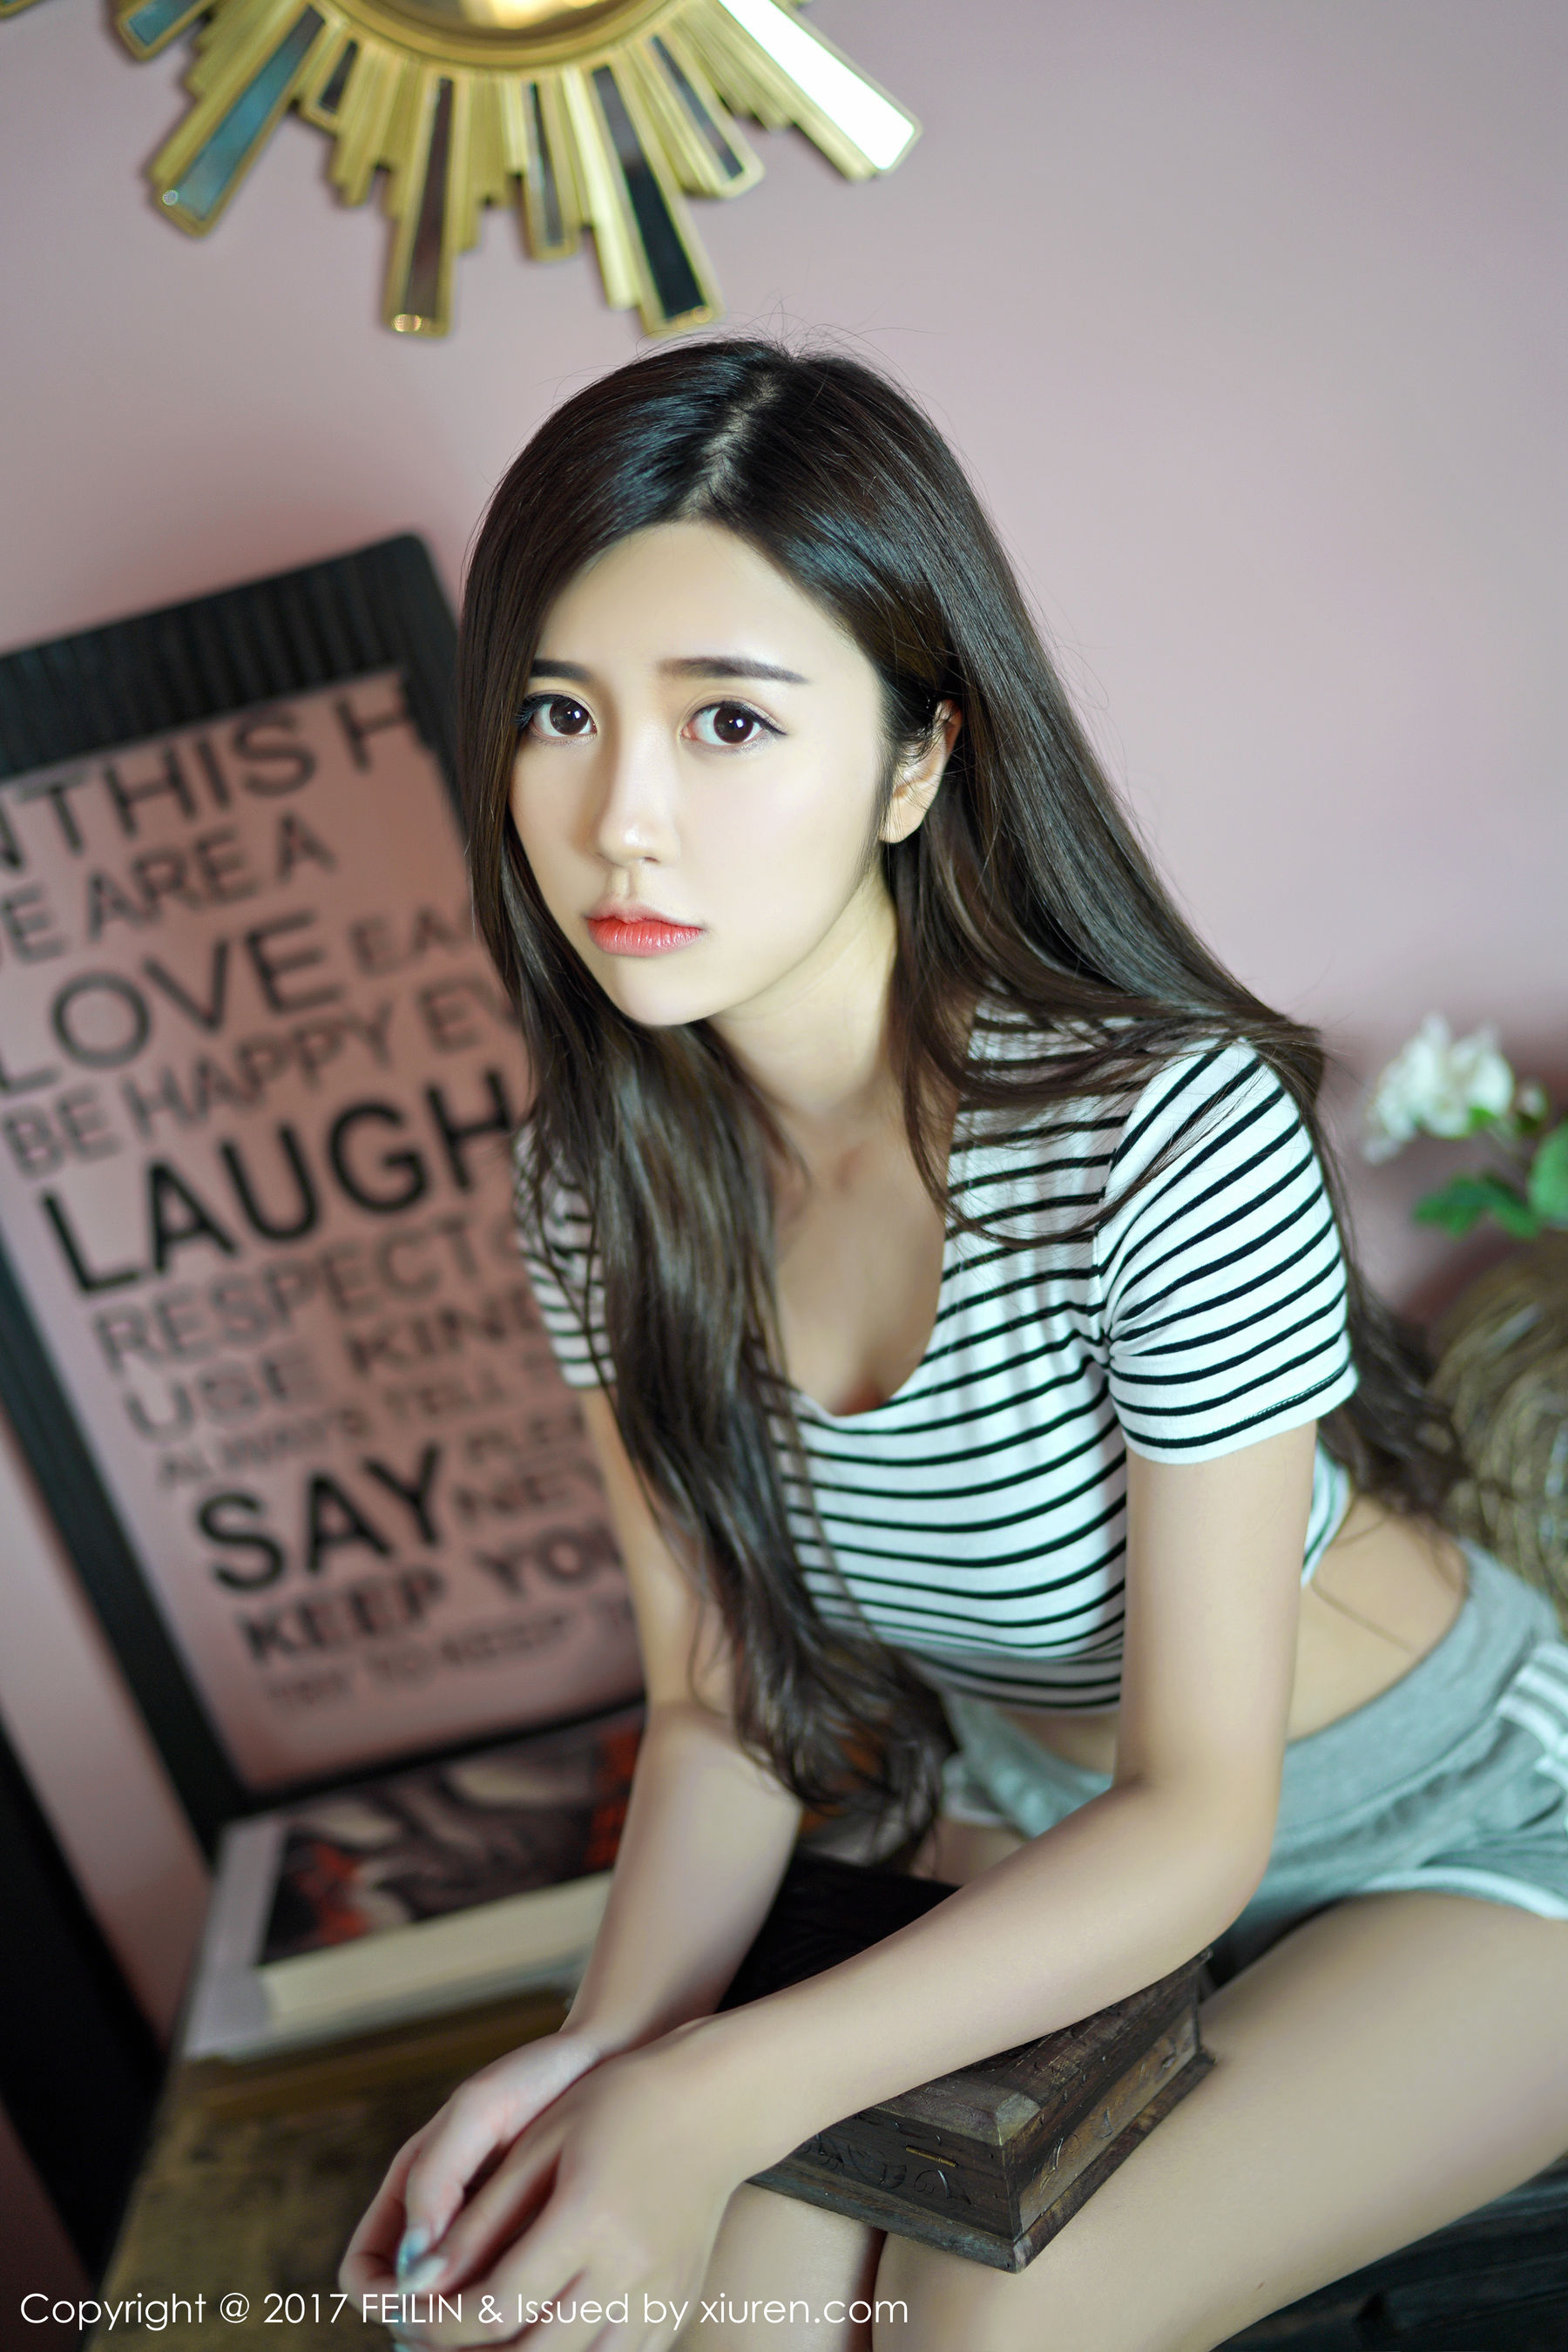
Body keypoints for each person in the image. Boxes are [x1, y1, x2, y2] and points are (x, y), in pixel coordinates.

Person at [341, 340, 1568, 2352]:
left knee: (991, 2326)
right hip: (1035, 1831)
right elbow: (727, 1707)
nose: (623, 821)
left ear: (916, 762)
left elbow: (1197, 1811)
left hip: (1455, 1831)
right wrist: (599, 2068)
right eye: (561, 714)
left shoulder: (1155, 1133)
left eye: (729, 721)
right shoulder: (598, 1192)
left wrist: (709, 2095)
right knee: (716, 2313)